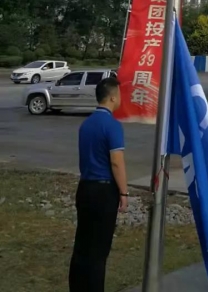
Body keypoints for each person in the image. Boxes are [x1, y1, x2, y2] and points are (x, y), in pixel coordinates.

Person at [69, 77, 128, 292]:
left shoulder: (87, 124)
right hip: (104, 192)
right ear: (112, 97)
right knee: (99, 250)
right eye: (119, 95)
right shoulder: (112, 126)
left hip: (85, 188)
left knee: (82, 244)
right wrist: (124, 192)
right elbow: (116, 162)